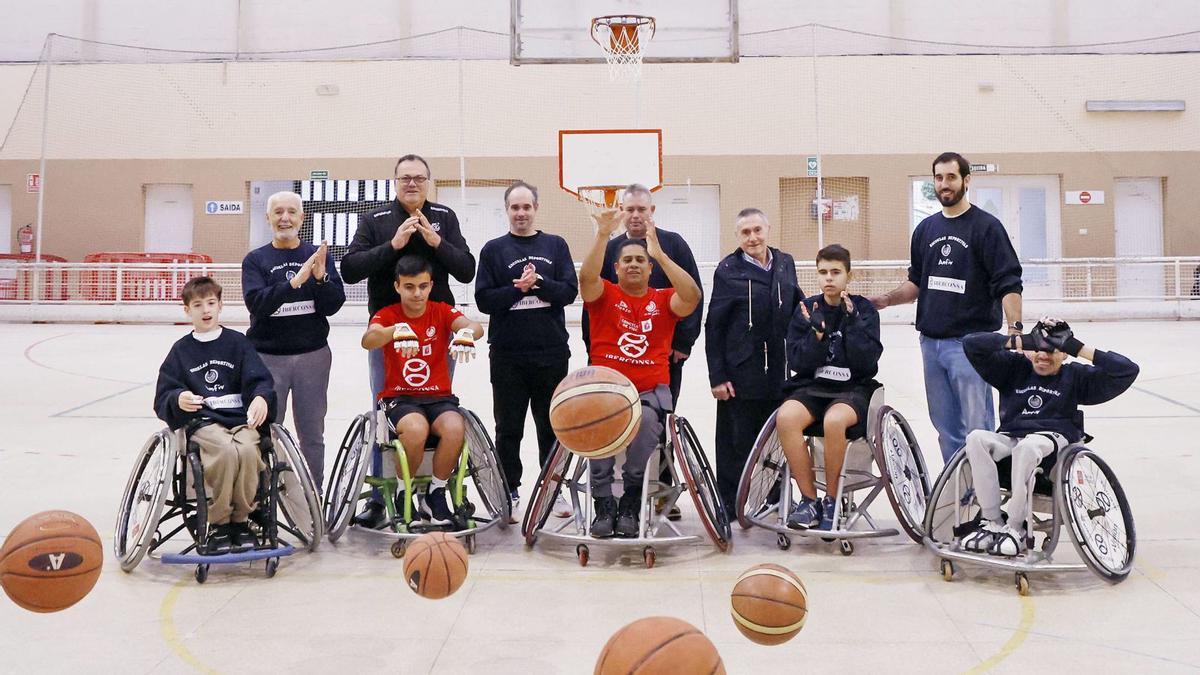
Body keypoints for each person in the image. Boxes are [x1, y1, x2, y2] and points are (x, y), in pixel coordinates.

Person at [342, 153, 476, 528]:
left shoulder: (444, 218)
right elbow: (349, 269)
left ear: (428, 181)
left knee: (437, 407)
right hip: (388, 330)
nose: (412, 183)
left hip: (437, 329)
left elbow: (467, 269)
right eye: (405, 178)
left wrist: (435, 241)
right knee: (384, 414)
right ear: (395, 182)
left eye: (419, 177)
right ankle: (381, 497)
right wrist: (393, 246)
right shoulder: (377, 220)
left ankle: (435, 489)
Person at [871, 152, 1024, 463]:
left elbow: (1008, 283)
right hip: (931, 345)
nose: (944, 184)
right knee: (946, 430)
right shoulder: (925, 230)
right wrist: (885, 300)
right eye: (939, 178)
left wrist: (1015, 329)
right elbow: (917, 283)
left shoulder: (987, 227)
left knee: (977, 430)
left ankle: (985, 498)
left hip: (972, 346)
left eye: (951, 177)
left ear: (966, 180)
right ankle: (958, 495)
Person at [960, 319, 1139, 556]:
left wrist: (1078, 347)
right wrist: (1021, 341)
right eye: (1038, 349)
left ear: (1065, 355)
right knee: (975, 438)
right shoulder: (1013, 369)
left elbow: (1127, 370)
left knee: (1028, 447)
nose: (1043, 356)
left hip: (1053, 443)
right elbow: (971, 344)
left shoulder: (1075, 377)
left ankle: (1016, 528)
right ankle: (993, 521)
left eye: (1052, 350)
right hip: (1013, 437)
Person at [579, 207, 701, 538]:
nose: (633, 263)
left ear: (650, 269)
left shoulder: (663, 299)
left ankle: (632, 498)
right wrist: (603, 234)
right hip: (606, 391)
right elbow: (586, 279)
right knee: (597, 418)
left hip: (648, 392)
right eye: (627, 260)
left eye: (640, 260)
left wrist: (660, 253)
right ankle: (604, 502)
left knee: (647, 421)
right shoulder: (604, 295)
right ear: (616, 268)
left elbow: (691, 296)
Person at [474, 181, 577, 518]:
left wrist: (539, 284)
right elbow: (485, 300)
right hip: (507, 355)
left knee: (551, 427)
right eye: (515, 207)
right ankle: (509, 492)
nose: (521, 213)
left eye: (526, 207)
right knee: (508, 428)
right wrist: (518, 290)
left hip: (550, 353)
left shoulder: (556, 245)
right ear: (507, 210)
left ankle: (553, 489)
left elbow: (568, 292)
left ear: (536, 208)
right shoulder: (493, 250)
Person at [154, 277, 277, 555]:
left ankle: (241, 520)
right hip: (205, 421)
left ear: (221, 305)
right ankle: (220, 522)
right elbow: (166, 392)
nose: (205, 310)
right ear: (187, 310)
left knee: (246, 450)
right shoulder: (180, 351)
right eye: (198, 305)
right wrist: (178, 398)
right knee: (224, 451)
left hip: (241, 418)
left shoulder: (238, 343)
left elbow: (260, 379)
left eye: (211, 303)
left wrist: (261, 398)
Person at [361, 255, 484, 526]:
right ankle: (405, 493)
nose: (417, 293)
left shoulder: (441, 311)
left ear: (431, 285)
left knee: (455, 427)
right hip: (400, 398)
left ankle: (436, 493)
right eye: (409, 287)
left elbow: (475, 327)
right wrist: (395, 330)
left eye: (422, 286)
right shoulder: (388, 314)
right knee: (416, 430)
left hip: (438, 397)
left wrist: (466, 334)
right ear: (397, 287)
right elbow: (368, 340)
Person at [242, 191, 345, 493]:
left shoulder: (317, 255)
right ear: (268, 218)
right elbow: (256, 303)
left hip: (312, 356)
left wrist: (322, 278)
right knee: (265, 429)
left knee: (312, 432)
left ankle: (313, 495)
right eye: (278, 212)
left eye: (291, 212)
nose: (284, 218)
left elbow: (333, 304)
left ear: (302, 218)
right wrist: (294, 283)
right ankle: (263, 496)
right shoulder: (256, 260)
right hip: (267, 358)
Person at [777, 245, 883, 530]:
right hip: (814, 385)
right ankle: (809, 500)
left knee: (834, 421)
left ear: (849, 275)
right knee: (785, 417)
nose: (829, 278)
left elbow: (867, 362)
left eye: (836, 272)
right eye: (823, 272)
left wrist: (854, 323)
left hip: (852, 388)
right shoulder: (806, 309)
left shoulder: (864, 310)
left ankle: (832, 500)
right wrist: (818, 335)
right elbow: (798, 360)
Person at [705, 208, 801, 520]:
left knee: (776, 440)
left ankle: (774, 498)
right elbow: (714, 326)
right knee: (736, 444)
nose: (753, 237)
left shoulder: (785, 263)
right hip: (740, 373)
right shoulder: (727, 270)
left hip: (779, 370)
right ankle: (730, 506)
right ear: (738, 236)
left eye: (757, 230)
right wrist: (717, 376)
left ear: (768, 229)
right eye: (745, 232)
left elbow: (798, 305)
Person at [582, 183, 703, 407]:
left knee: (659, 413)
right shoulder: (610, 248)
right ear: (621, 210)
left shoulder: (673, 244)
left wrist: (683, 342)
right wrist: (592, 348)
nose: (636, 215)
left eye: (641, 209)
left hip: (663, 351)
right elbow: (592, 298)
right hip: (616, 351)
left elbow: (694, 295)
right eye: (630, 210)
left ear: (652, 210)